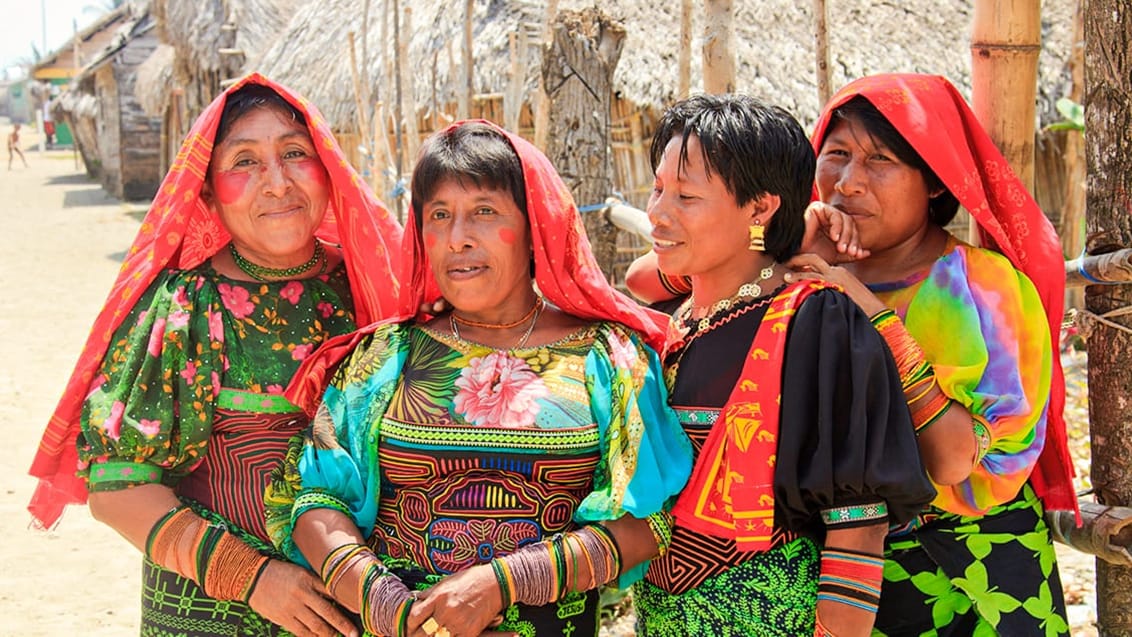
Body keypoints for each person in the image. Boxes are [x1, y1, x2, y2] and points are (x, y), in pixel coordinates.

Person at [265, 120, 694, 637]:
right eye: (439, 215)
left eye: (484, 212)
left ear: (535, 224)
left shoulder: (607, 357)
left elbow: (648, 521)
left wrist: (500, 584)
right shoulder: (387, 357)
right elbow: (317, 498)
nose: (457, 238)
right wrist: (391, 609)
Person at [27, 73, 404, 637]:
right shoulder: (186, 306)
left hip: (369, 611)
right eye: (244, 162)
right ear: (205, 192)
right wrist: (253, 578)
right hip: (213, 614)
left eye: (295, 153)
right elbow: (117, 487)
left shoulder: (380, 287)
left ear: (328, 168)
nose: (276, 182)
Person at [627, 94, 935, 637]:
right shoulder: (667, 324)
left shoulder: (815, 323)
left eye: (686, 196)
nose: (657, 213)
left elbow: (857, 526)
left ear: (760, 209)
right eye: (657, 189)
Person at [783, 73, 1075, 635]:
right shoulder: (804, 276)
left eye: (880, 160)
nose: (848, 182)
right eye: (837, 153)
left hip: (977, 576)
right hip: (841, 575)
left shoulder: (983, 288)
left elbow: (950, 461)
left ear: (936, 185)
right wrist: (786, 254)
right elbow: (656, 285)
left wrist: (866, 308)